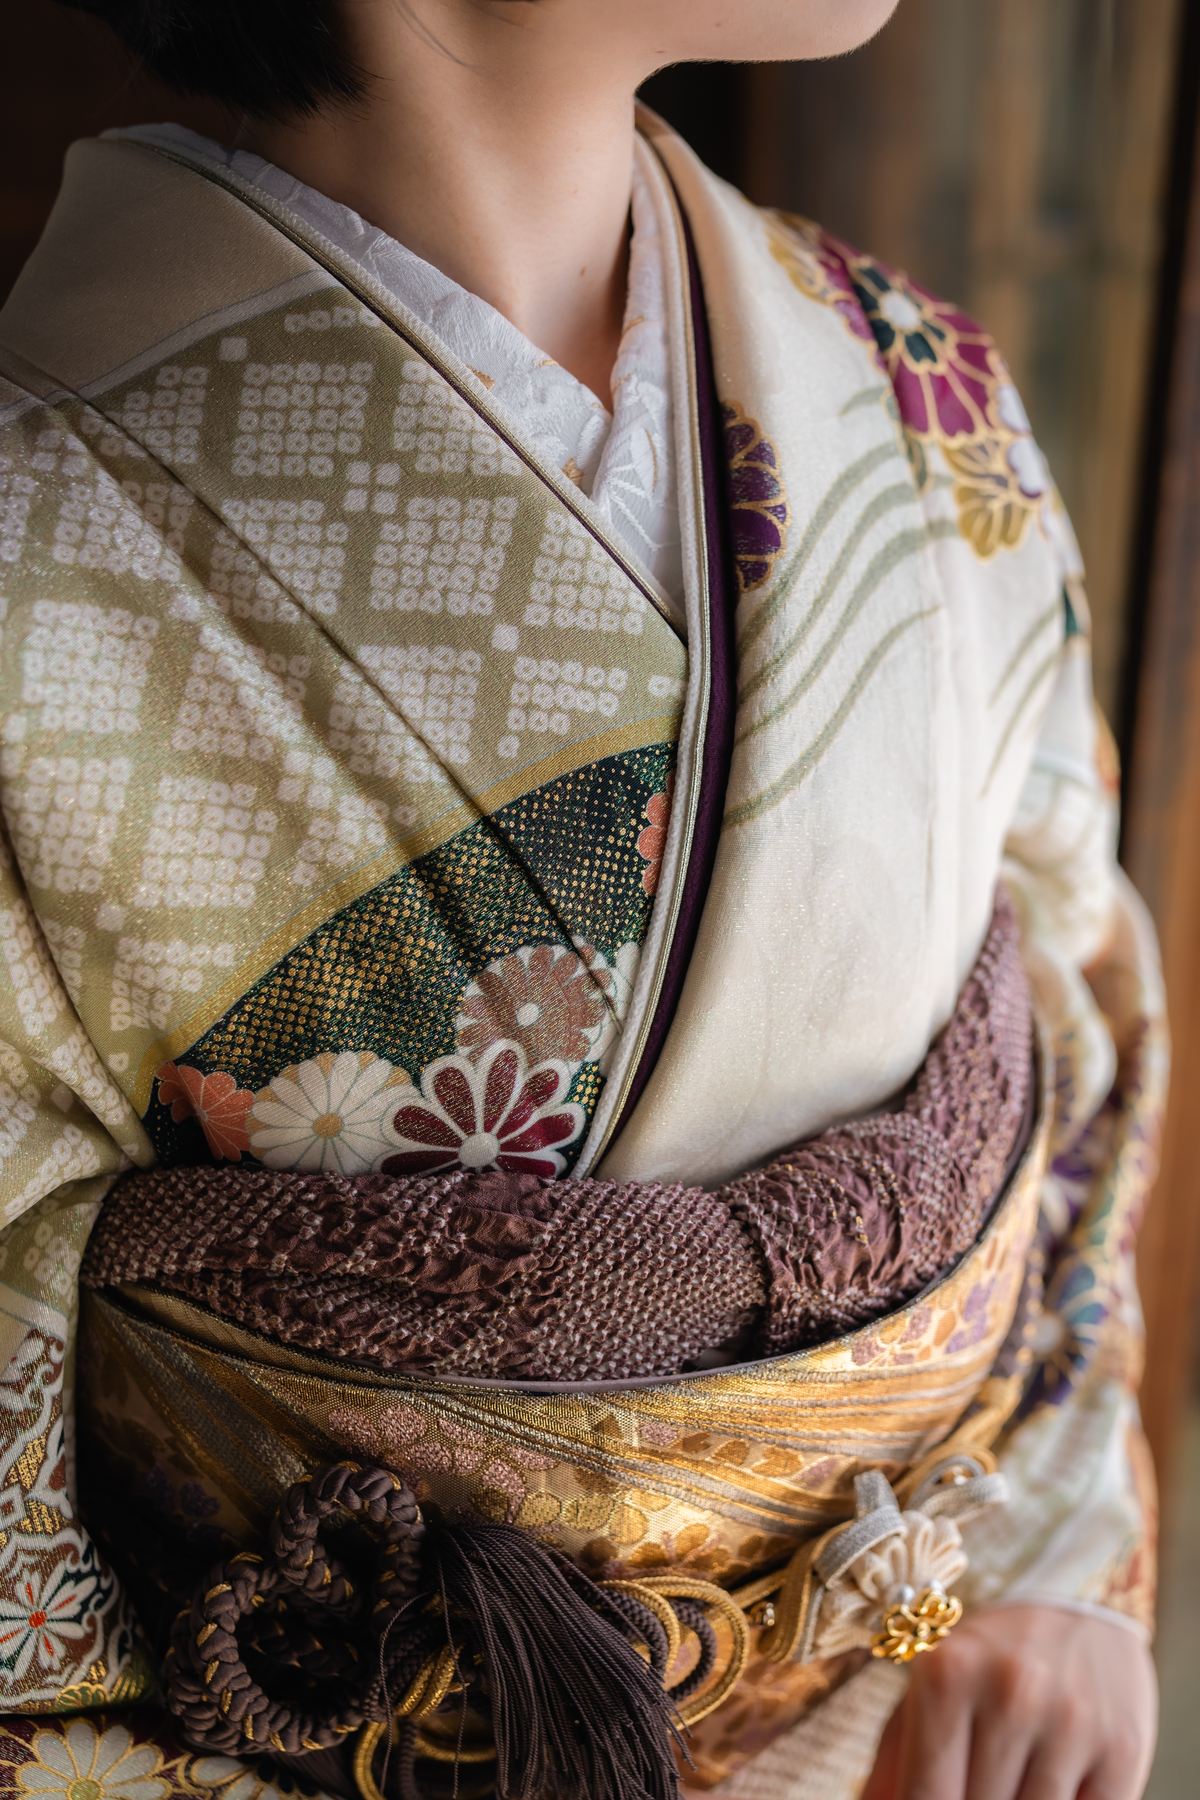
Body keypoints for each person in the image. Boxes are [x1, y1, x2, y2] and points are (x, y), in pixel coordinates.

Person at [0, 1, 1165, 1797]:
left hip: (908, 1726)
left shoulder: (910, 380)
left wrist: (1050, 1552)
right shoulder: (35, 552)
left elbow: (1072, 992)